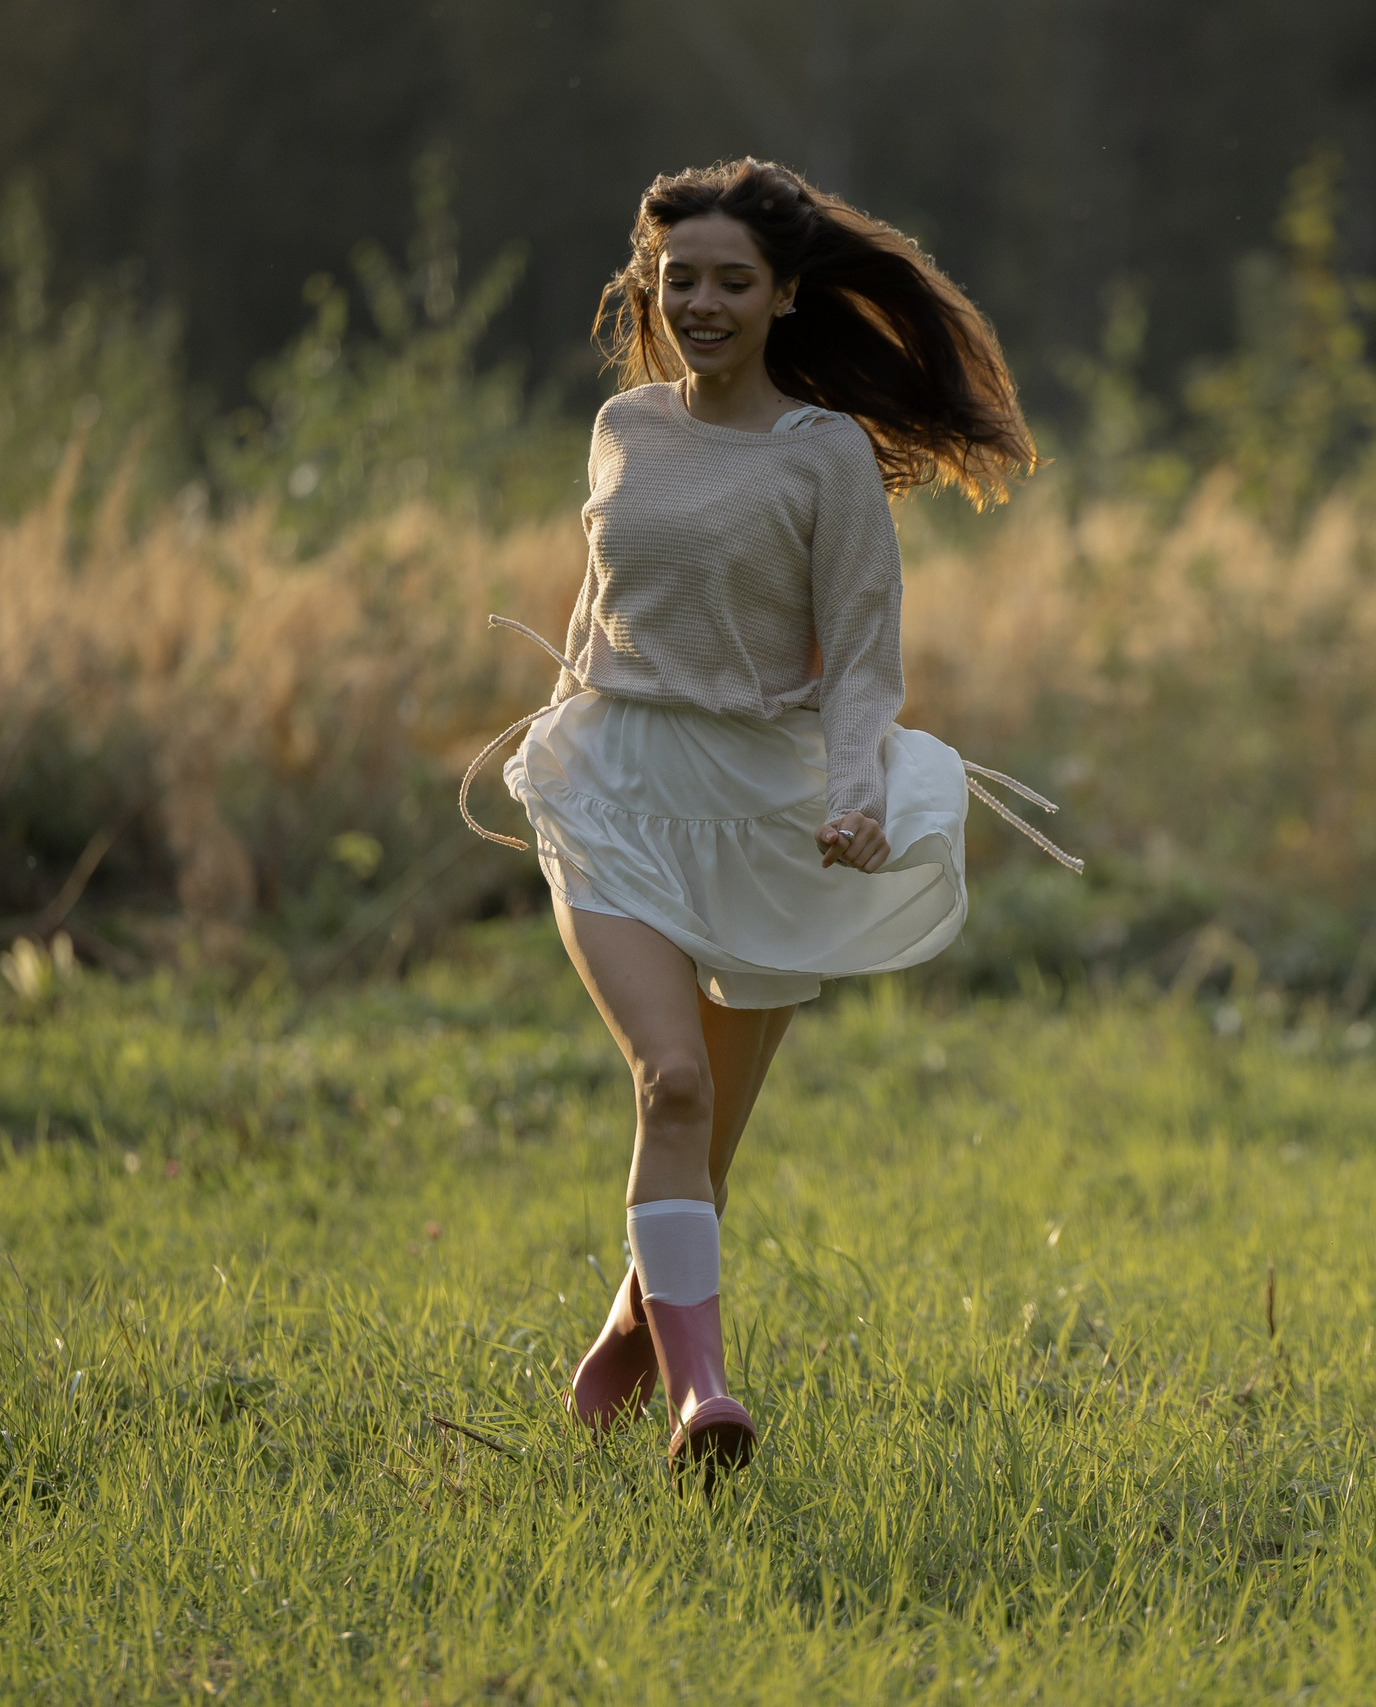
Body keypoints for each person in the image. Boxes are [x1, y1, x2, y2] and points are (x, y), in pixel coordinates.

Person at [458, 159, 1075, 1485]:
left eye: (733, 281)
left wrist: (857, 787)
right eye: (681, 280)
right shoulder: (624, 427)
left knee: (709, 1142)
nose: (703, 303)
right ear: (652, 285)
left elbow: (862, 651)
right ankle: (705, 1401)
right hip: (617, 786)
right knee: (669, 1082)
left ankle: (637, 1314)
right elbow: (598, 607)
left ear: (785, 294)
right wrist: (556, 743)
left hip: (761, 810)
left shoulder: (826, 456)